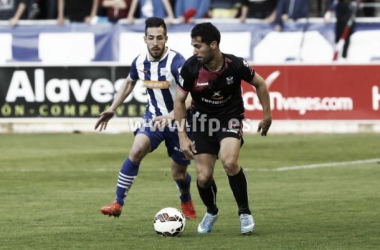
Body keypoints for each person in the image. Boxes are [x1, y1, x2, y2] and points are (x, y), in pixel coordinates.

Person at [174, 22, 272, 235]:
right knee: (203, 177)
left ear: (213, 45)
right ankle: (211, 211)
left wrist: (267, 116)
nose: (194, 51)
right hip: (201, 122)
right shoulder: (191, 68)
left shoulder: (235, 64)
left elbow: (261, 84)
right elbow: (180, 101)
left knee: (229, 162)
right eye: (193, 46)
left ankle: (244, 212)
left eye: (198, 46)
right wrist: (183, 136)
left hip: (230, 117)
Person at [97, 17, 197, 220]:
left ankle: (185, 198)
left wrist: (171, 116)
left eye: (159, 38)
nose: (155, 43)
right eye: (151, 38)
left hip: (179, 122)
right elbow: (129, 81)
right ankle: (118, 202)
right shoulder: (140, 61)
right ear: (144, 39)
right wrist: (113, 108)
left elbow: (191, 96)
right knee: (137, 149)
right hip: (154, 118)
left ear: (166, 39)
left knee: (178, 173)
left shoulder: (177, 62)